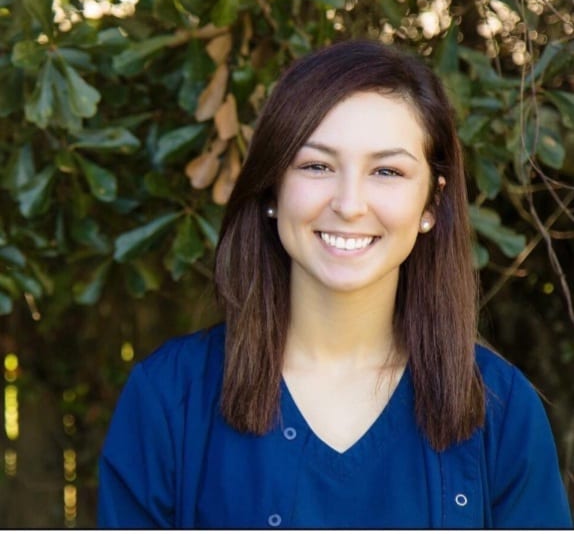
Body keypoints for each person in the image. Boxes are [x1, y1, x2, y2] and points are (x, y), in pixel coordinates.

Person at [97, 40, 572, 528]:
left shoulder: (502, 408)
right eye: (317, 166)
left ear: (431, 204)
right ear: (272, 188)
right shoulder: (168, 398)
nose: (349, 204)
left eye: (386, 171)